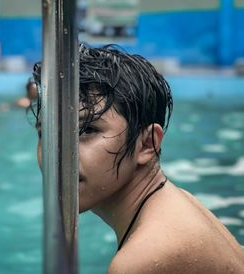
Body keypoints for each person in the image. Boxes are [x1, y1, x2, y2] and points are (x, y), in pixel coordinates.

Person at [32, 44, 244, 273]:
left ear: (147, 144)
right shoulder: (175, 203)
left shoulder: (140, 261)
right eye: (46, 133)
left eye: (87, 130)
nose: (57, 155)